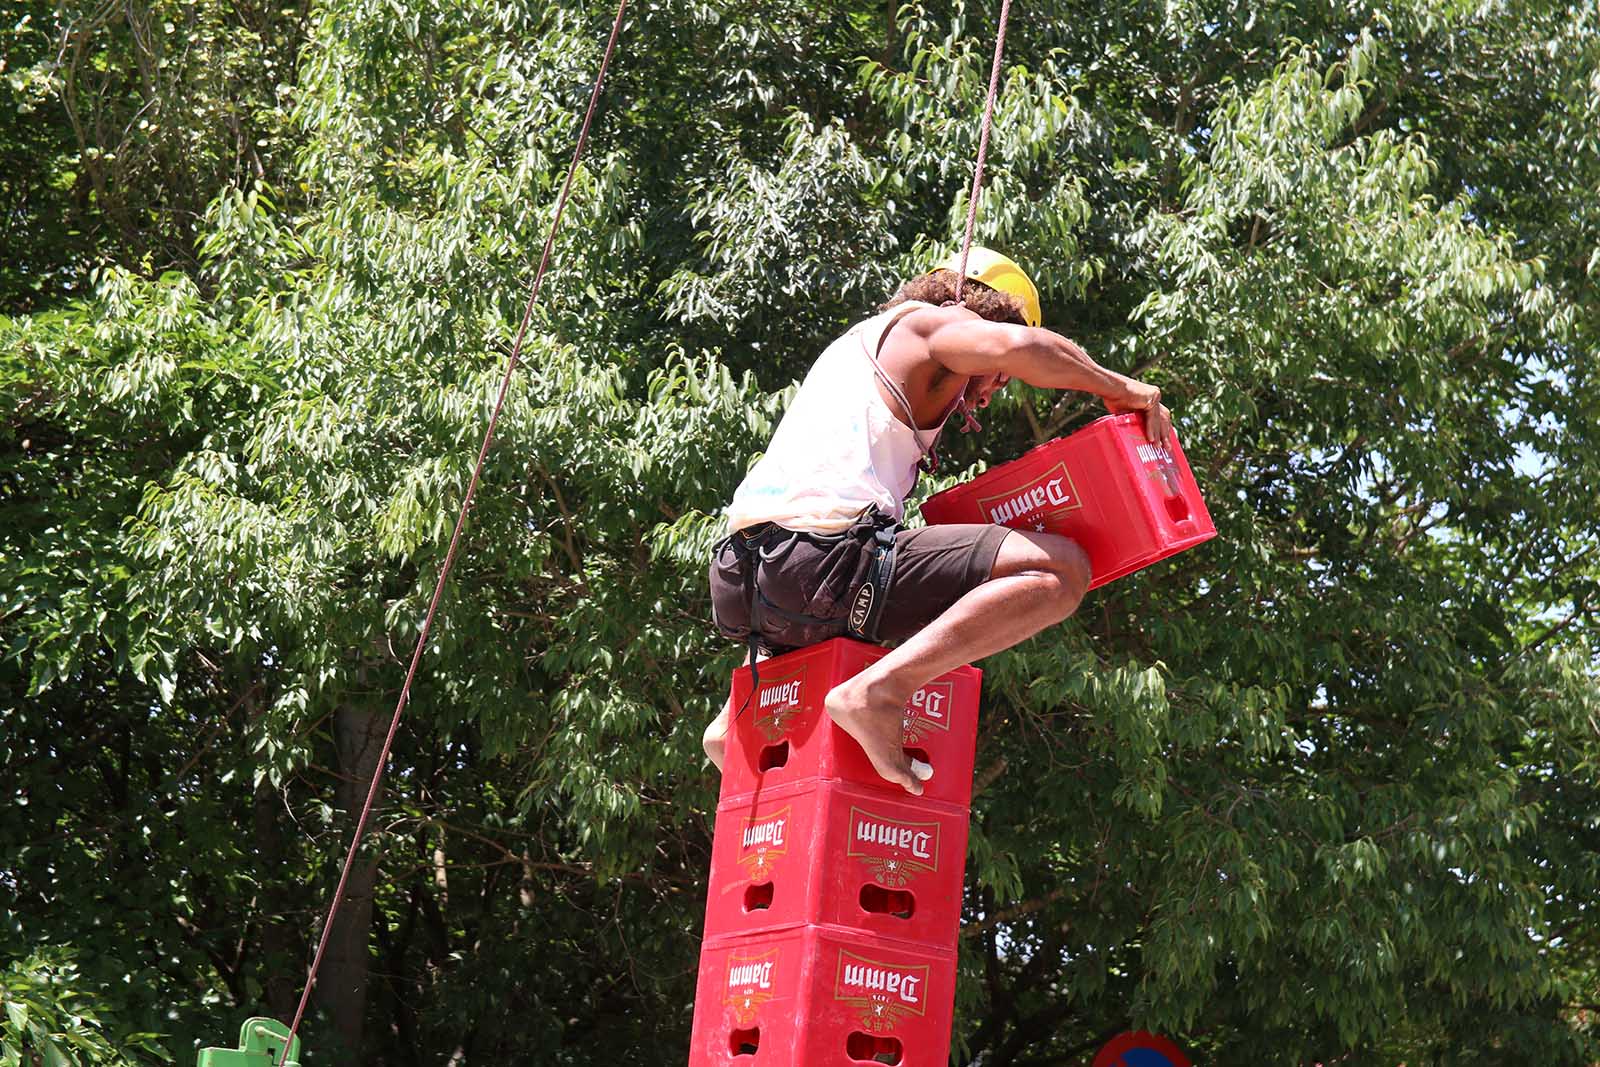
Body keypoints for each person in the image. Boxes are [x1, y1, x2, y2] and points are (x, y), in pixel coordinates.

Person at [705, 248, 1172, 795]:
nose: (999, 386)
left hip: (743, 582)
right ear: (985, 310)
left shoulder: (855, 351)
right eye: (998, 375)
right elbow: (1026, 347)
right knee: (1061, 571)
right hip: (822, 563)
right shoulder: (934, 325)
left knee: (905, 586)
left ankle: (734, 718)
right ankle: (880, 693)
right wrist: (1123, 390)